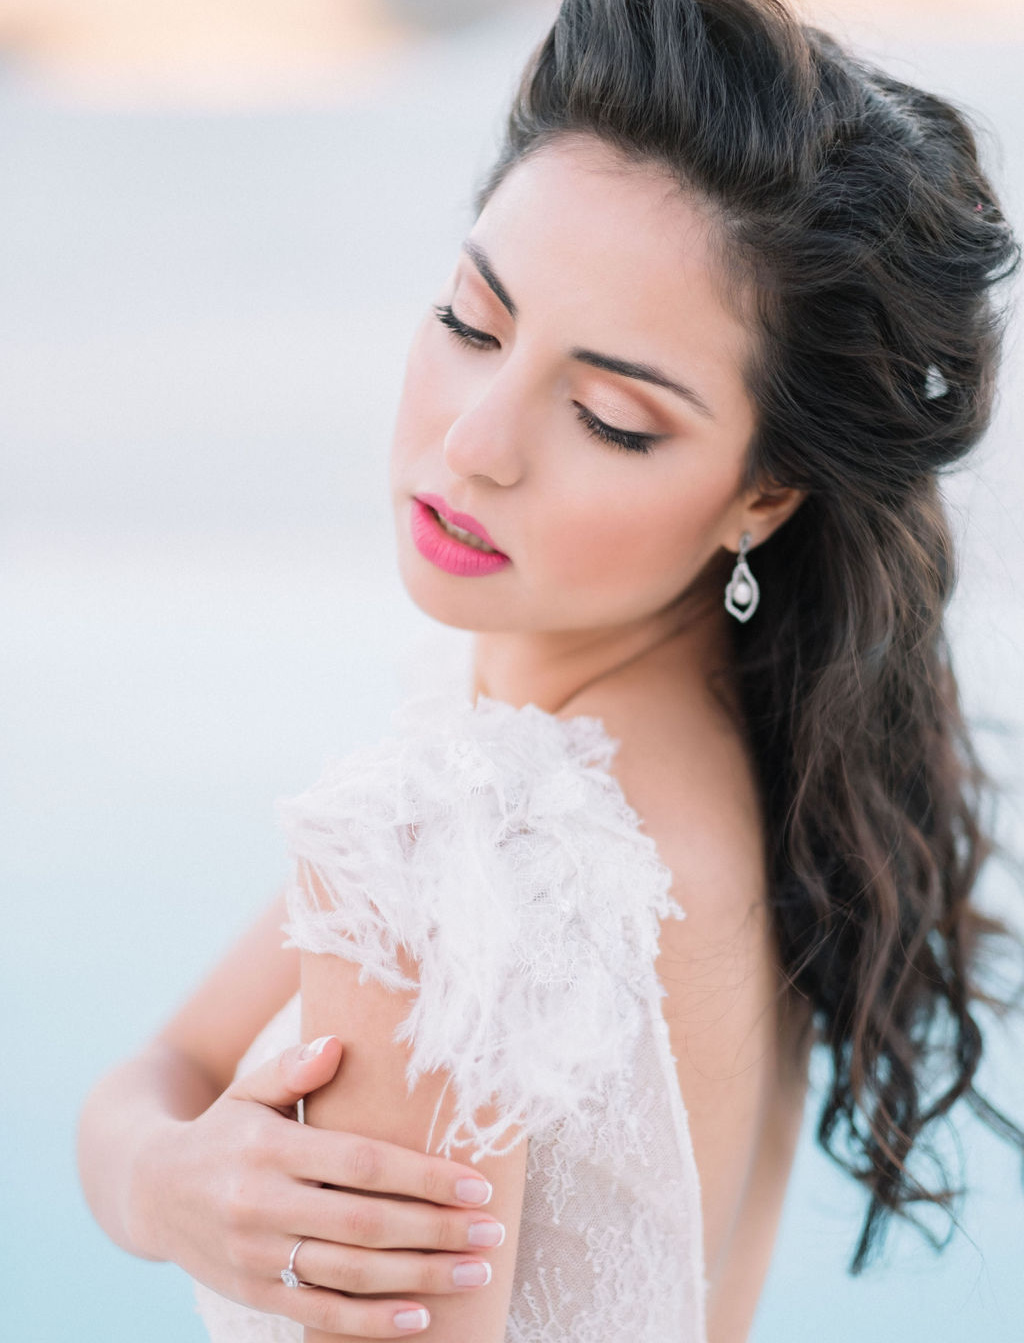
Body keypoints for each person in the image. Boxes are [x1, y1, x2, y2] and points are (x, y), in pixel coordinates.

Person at [77, 1, 1024, 1340]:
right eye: (473, 320)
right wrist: (161, 1181)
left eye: (608, 416)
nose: (474, 443)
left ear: (765, 495)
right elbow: (167, 1067)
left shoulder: (465, 841)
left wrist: (148, 1179)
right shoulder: (746, 752)